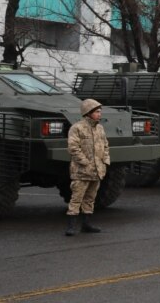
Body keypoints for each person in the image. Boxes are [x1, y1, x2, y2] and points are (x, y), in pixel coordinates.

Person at [65, 99, 110, 236]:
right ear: (88, 113)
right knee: (76, 198)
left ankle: (86, 224)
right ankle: (72, 226)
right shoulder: (77, 128)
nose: (99, 114)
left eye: (100, 112)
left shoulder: (100, 128)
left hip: (97, 171)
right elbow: (73, 148)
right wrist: (85, 162)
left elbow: (105, 145)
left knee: (90, 198)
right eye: (96, 112)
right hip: (81, 171)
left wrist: (105, 161)